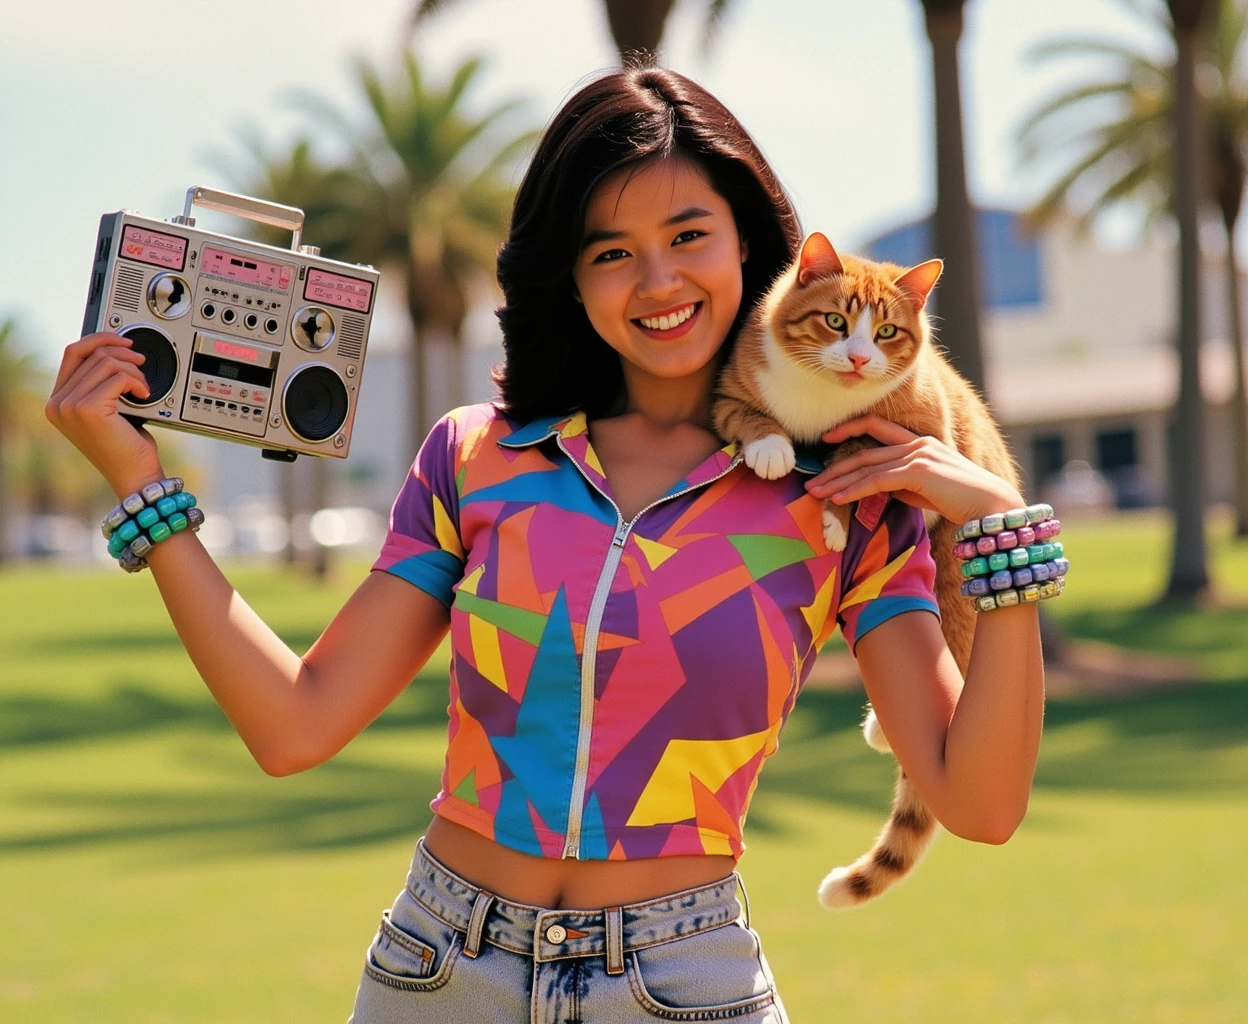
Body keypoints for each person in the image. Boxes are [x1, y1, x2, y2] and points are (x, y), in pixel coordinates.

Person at [47, 67, 1044, 1023]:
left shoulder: (849, 499)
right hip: (439, 974)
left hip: (686, 984)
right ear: (568, 275)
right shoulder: (478, 456)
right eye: (611, 250)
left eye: (689, 234)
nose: (657, 280)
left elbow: (981, 800)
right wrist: (144, 487)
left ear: (749, 244)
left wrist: (998, 523)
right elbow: (294, 726)